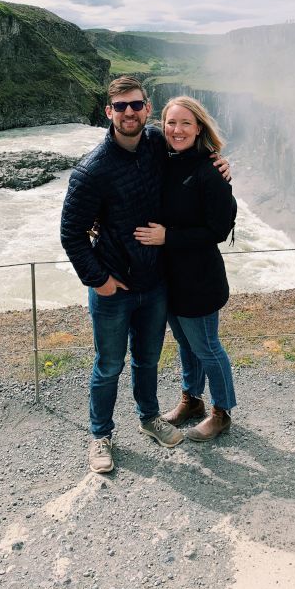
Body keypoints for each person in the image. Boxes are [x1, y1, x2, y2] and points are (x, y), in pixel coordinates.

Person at [60, 77, 230, 473]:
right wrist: (98, 280)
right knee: (108, 366)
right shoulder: (92, 171)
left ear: (147, 108)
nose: (129, 113)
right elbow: (71, 233)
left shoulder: (157, 144)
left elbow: (192, 151)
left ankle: (149, 417)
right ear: (109, 112)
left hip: (154, 284)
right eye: (120, 107)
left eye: (135, 105)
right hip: (114, 286)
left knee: (148, 360)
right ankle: (100, 435)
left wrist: (220, 161)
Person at [134, 96, 237, 441]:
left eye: (185, 124)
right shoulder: (163, 160)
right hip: (169, 279)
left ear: (199, 128)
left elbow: (218, 231)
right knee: (184, 343)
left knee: (207, 346)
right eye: (171, 123)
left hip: (199, 280)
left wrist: (168, 237)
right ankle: (192, 401)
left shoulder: (211, 171)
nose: (177, 130)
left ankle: (221, 413)